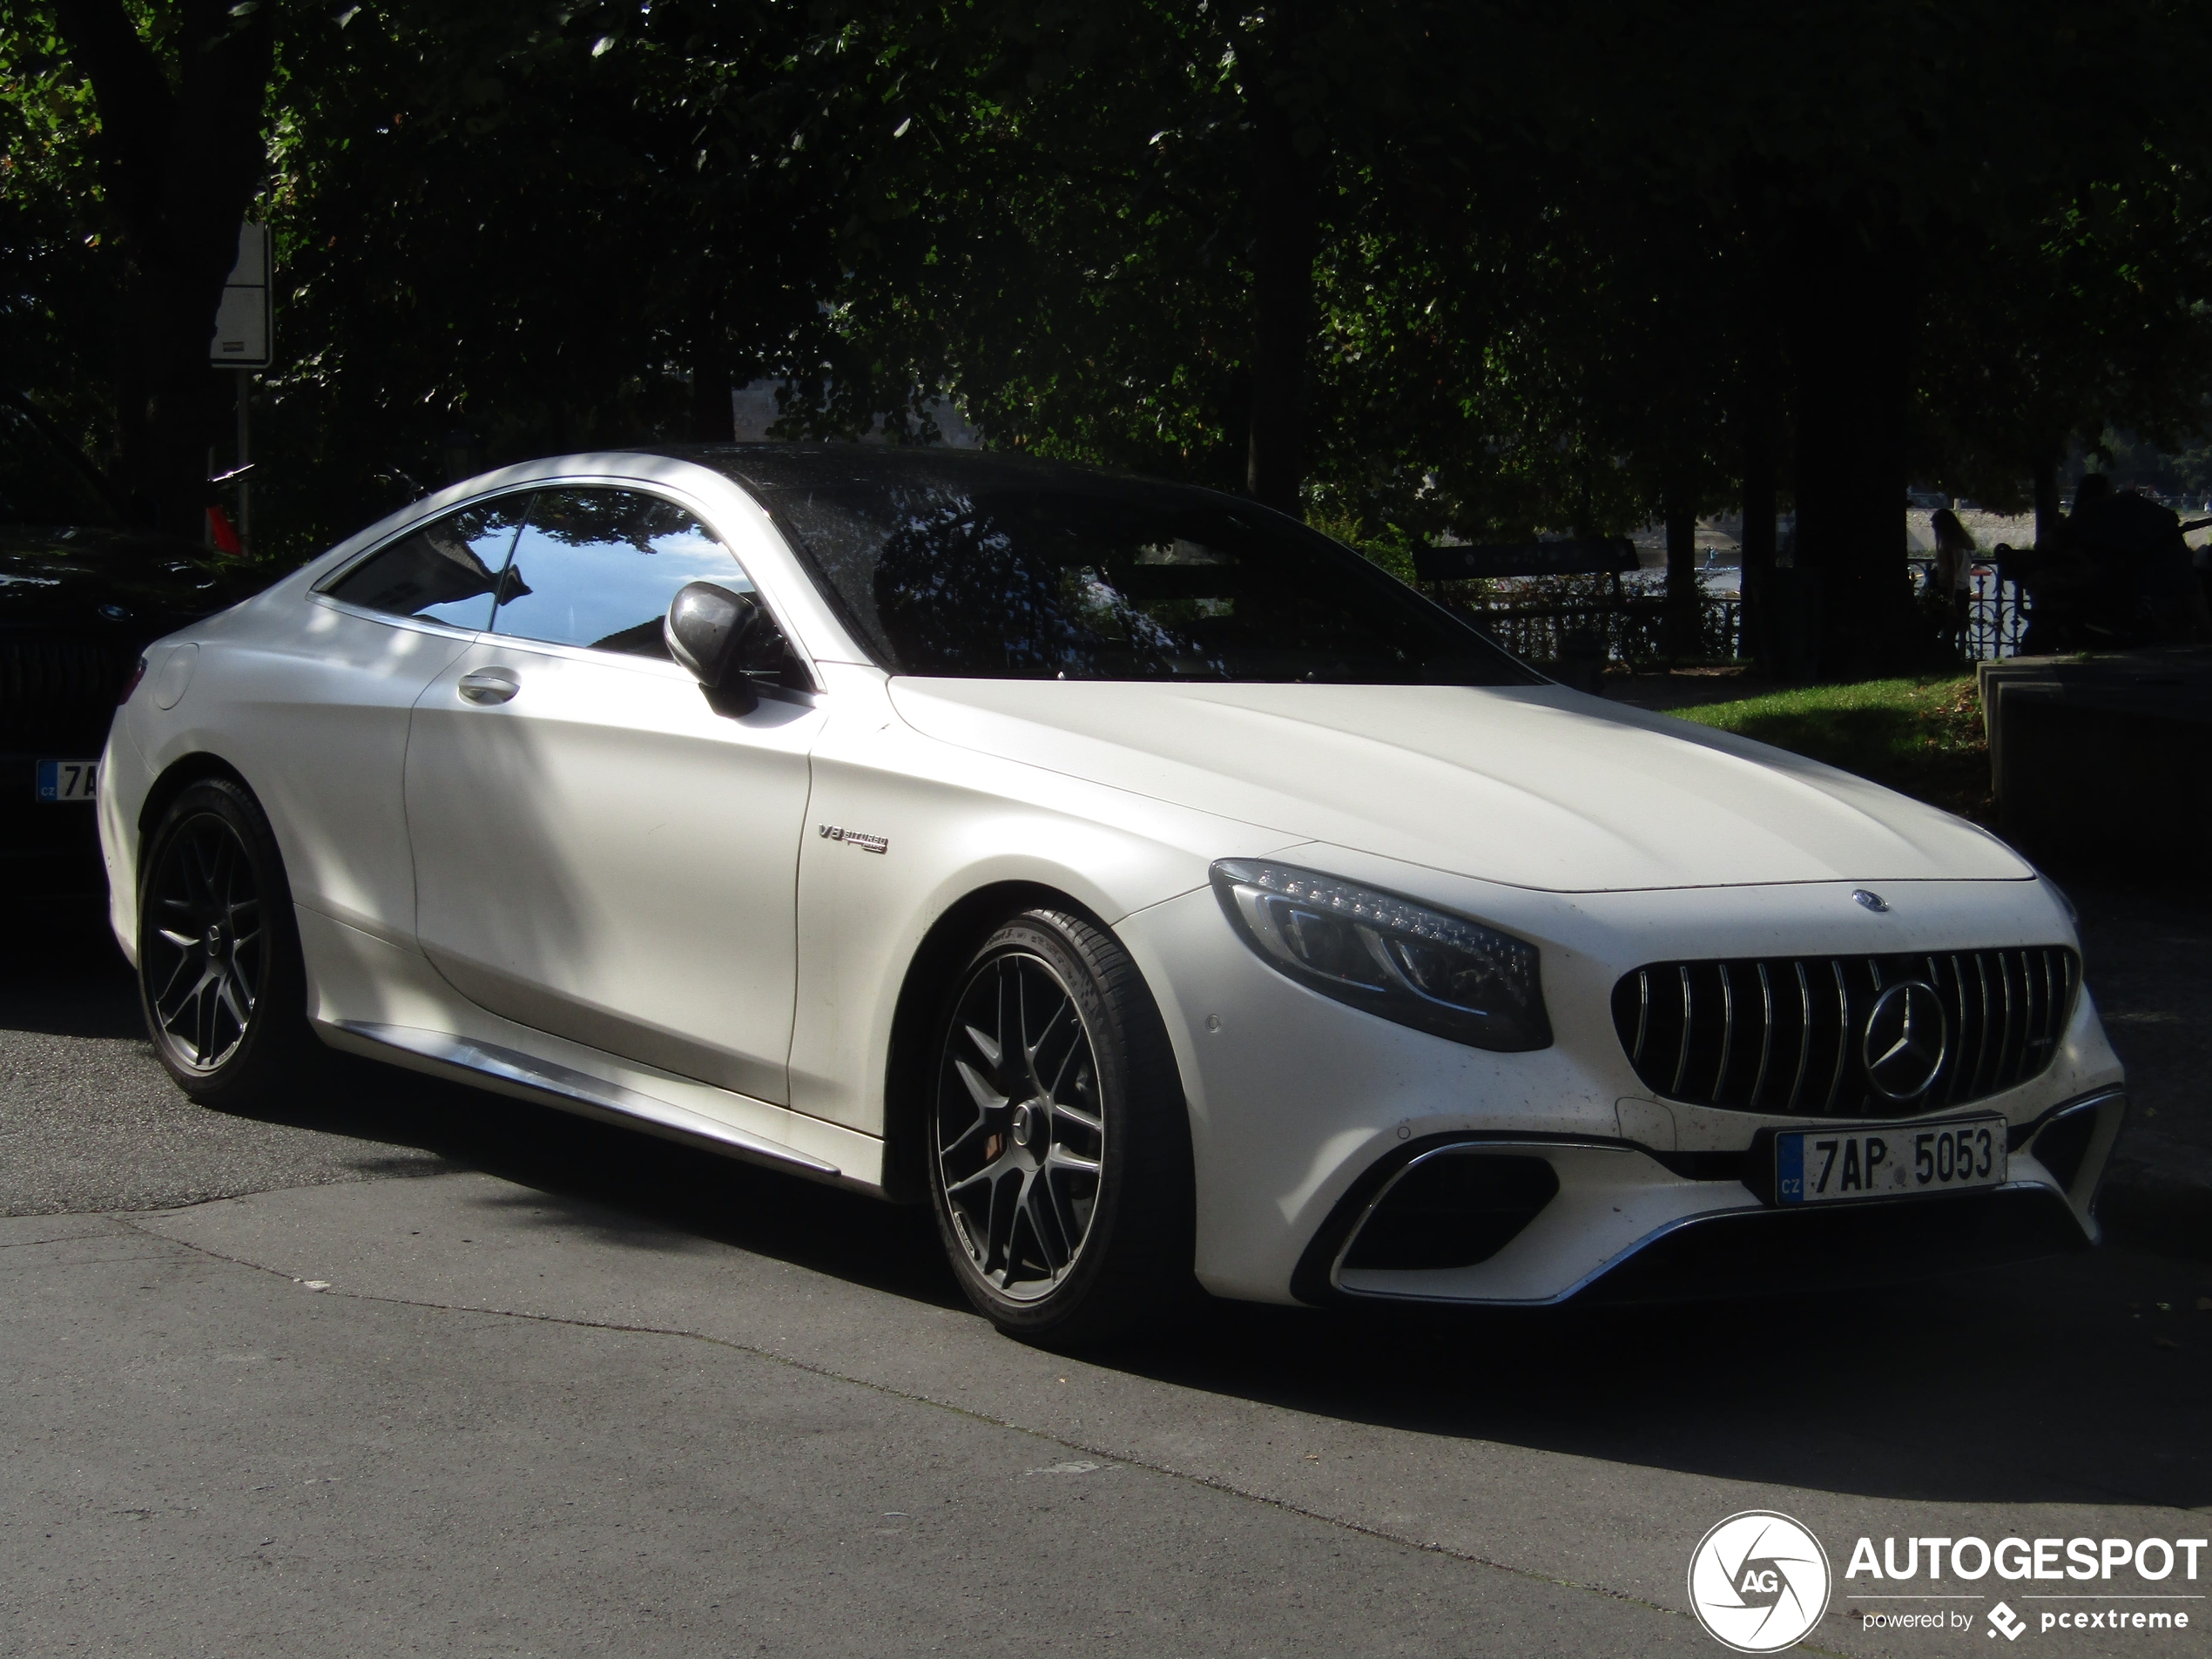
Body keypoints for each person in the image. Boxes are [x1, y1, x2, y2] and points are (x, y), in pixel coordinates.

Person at [1929, 506, 1975, 654]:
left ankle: (1945, 660)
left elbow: (1951, 575)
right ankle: (1950, 659)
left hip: (1950, 592)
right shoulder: (1964, 546)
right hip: (1964, 591)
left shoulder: (1948, 547)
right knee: (1952, 630)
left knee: (1936, 629)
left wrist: (1950, 601)